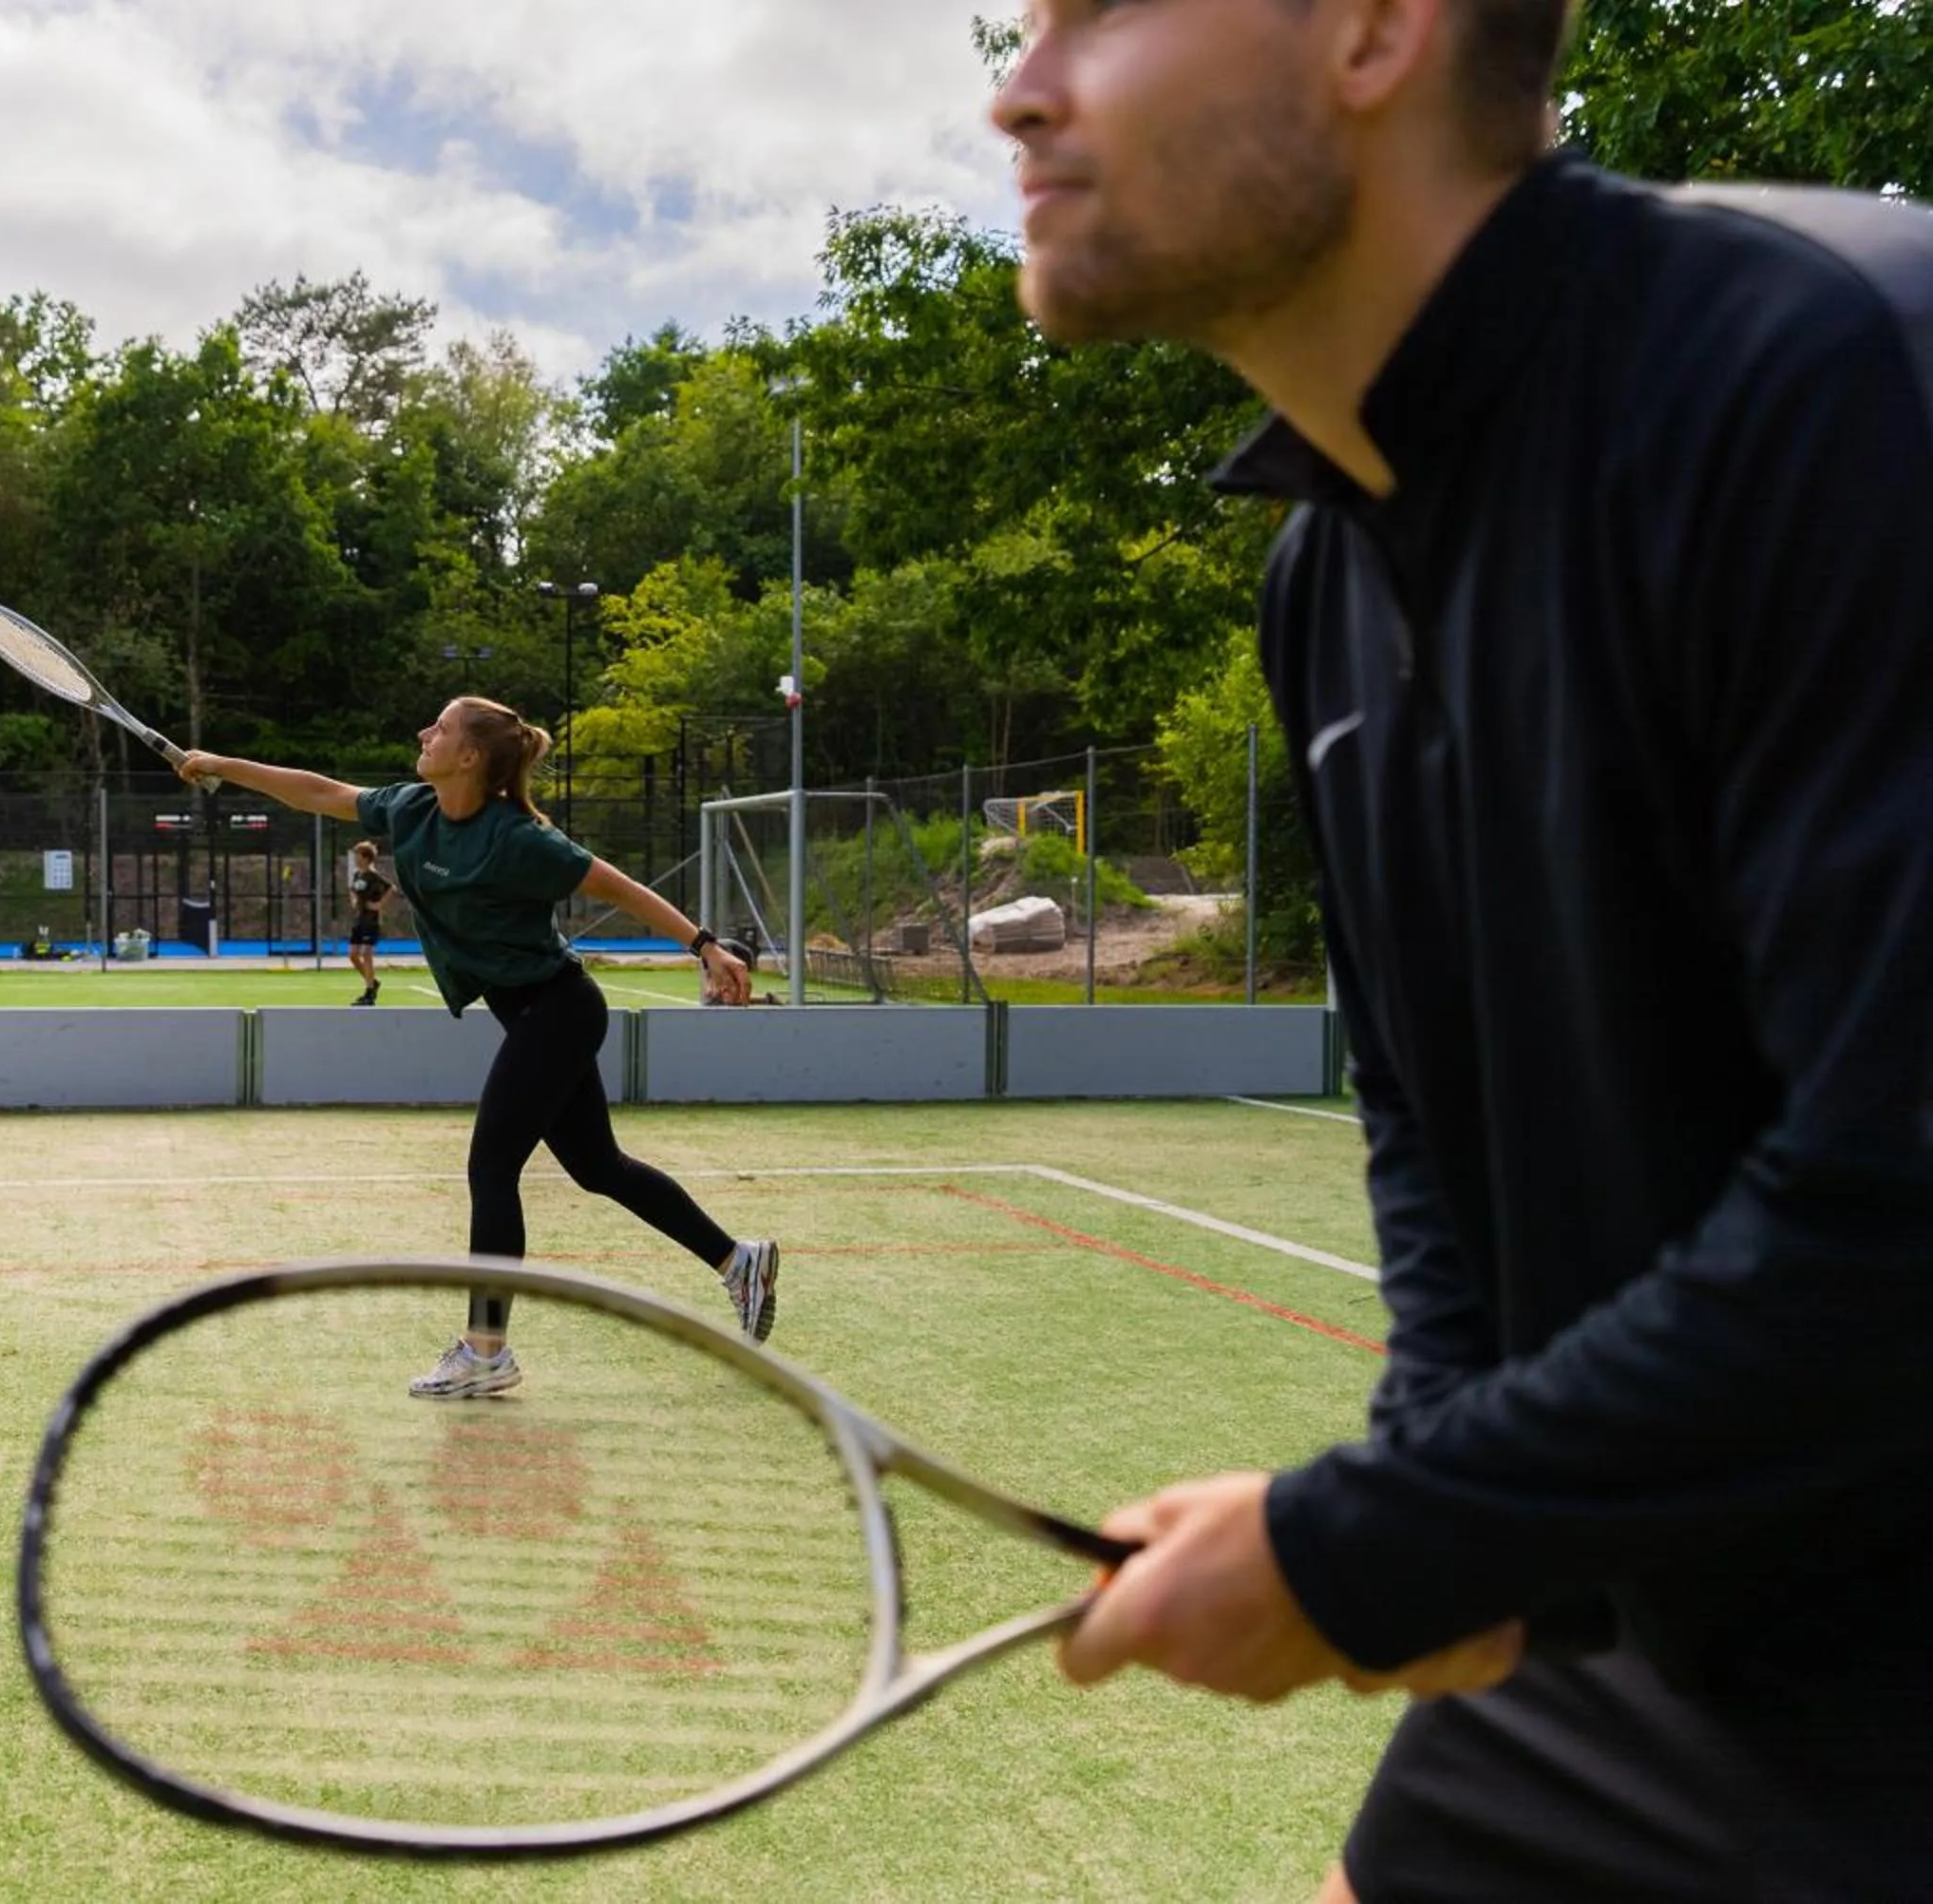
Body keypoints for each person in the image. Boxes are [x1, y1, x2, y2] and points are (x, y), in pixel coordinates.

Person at [992, 0, 1933, 1895]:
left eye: (1099, 10)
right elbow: (1430, 1111)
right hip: (1694, 1629)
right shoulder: (1324, 568)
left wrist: (1374, 1543)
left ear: (1372, 31)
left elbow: (1900, 1185)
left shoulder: (1838, 373)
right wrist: (1457, 1501)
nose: (1022, 85)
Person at [179, 696, 781, 1399]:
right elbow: (319, 791)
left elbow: (620, 886)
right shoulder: (411, 809)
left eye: (438, 728)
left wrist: (704, 947)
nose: (422, 732)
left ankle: (486, 1351)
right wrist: (222, 765)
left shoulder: (521, 840)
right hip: (529, 1011)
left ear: (469, 757)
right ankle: (738, 1261)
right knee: (598, 1167)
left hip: (558, 1010)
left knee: (491, 1167)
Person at [345, 839, 391, 1005]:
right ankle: (373, 982)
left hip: (371, 921)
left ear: (365, 857)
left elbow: (391, 888)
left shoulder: (374, 876)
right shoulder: (358, 875)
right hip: (359, 920)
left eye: (357, 855)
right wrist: (354, 900)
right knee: (353, 955)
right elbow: (354, 891)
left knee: (366, 953)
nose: (355, 859)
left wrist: (379, 905)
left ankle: (369, 993)